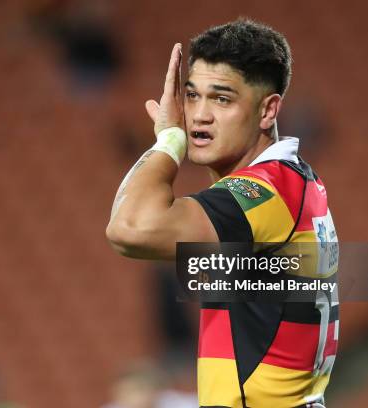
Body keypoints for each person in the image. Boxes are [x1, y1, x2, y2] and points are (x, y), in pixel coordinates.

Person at [106, 19, 338, 408]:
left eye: (222, 99)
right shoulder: (295, 183)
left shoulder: (264, 192)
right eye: (192, 96)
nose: (199, 115)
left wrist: (169, 140)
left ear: (268, 110)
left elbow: (130, 229)